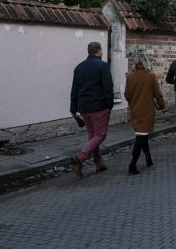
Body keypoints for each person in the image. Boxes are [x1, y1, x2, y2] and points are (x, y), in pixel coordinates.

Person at [70, 42, 114, 179]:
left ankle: (99, 163)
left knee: (92, 136)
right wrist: (109, 105)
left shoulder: (79, 67)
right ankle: (80, 157)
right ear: (99, 51)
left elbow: (74, 89)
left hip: (83, 107)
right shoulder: (103, 66)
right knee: (100, 135)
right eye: (102, 50)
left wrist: (73, 107)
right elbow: (108, 87)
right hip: (98, 107)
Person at [124, 53, 165, 174]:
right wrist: (162, 105)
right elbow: (157, 93)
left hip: (135, 110)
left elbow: (127, 95)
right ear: (145, 62)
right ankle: (133, 163)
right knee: (141, 136)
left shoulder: (130, 77)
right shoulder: (150, 76)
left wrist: (133, 102)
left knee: (143, 134)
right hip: (146, 110)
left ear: (135, 63)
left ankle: (148, 158)